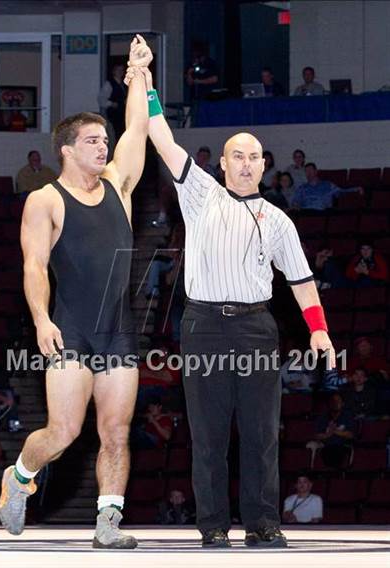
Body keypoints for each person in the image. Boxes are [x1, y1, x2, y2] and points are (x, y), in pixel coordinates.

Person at [126, 51, 336, 549]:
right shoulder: (200, 193)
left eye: (254, 156)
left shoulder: (279, 220)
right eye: (236, 155)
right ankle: (213, 524)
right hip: (202, 326)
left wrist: (319, 328)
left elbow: (302, 282)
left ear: (265, 165)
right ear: (222, 163)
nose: (245, 163)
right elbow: (160, 136)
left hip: (257, 328)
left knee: (262, 434)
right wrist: (149, 83)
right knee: (209, 434)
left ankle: (264, 523)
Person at [0, 35, 153, 549]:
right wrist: (41, 320)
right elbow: (34, 266)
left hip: (118, 332)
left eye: (102, 141)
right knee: (63, 433)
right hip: (71, 329)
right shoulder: (45, 199)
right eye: (91, 141)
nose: (102, 147)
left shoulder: (120, 186)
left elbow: (137, 128)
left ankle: (108, 524)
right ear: (66, 149)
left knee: (116, 432)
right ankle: (19, 476)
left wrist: (138, 75)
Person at [292, 163, 363, 210]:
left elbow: (341, 192)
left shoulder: (327, 185)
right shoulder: (302, 188)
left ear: (316, 171)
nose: (309, 173)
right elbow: (295, 202)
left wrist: (356, 189)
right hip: (307, 214)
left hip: (323, 213)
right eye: (306, 171)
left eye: (310, 170)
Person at [315, 393, 355, 469]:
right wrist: (328, 434)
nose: (335, 403)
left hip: (342, 446)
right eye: (333, 401)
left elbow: (350, 435)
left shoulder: (347, 416)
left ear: (343, 404)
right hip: (326, 446)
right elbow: (317, 435)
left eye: (338, 401)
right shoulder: (323, 417)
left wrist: (334, 431)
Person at [97, 62, 128, 141]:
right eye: (118, 70)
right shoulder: (109, 84)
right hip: (114, 116)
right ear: (113, 71)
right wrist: (112, 104)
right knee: (115, 136)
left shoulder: (124, 84)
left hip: (123, 115)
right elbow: (101, 99)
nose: (120, 72)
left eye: (122, 70)